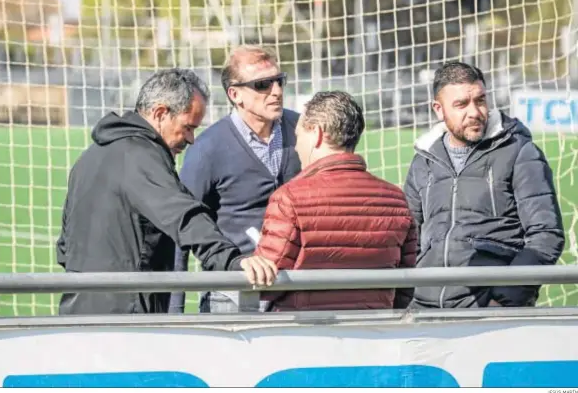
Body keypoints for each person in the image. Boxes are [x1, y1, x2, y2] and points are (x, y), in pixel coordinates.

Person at [55, 68, 277, 315]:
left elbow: (65, 248)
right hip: (123, 319)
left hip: (76, 312)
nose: (191, 139)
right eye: (188, 127)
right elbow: (183, 215)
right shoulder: (140, 156)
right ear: (160, 113)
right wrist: (232, 260)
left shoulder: (89, 157)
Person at [404, 62, 565, 309]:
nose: (475, 112)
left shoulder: (520, 152)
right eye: (461, 104)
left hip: (489, 310)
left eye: (480, 100)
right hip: (424, 308)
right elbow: (407, 241)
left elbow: (545, 235)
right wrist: (408, 300)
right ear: (438, 109)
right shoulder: (422, 161)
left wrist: (503, 301)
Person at [254, 91, 418, 311]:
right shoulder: (396, 200)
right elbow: (406, 284)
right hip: (373, 331)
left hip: (303, 333)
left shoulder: (289, 198)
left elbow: (265, 281)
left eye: (298, 135)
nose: (295, 146)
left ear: (316, 133)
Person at [169, 45, 301, 314]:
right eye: (262, 84)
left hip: (296, 293)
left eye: (279, 81)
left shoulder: (303, 130)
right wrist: (174, 311)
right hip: (230, 296)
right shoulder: (206, 148)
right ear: (235, 94)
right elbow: (181, 230)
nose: (276, 91)